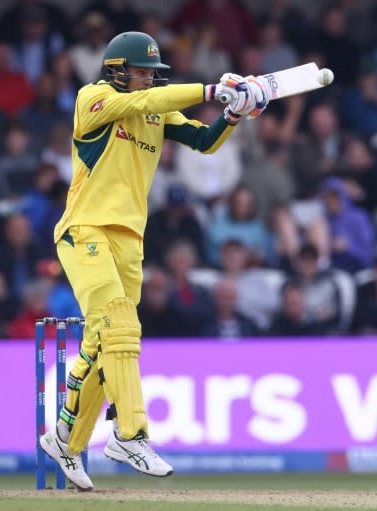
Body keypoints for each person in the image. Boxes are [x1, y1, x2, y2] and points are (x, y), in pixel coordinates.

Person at [39, 31, 270, 490]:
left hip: (130, 241)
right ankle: (130, 434)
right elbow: (147, 102)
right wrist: (211, 90)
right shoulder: (94, 99)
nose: (146, 80)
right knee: (120, 327)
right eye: (140, 72)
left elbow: (205, 142)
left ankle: (65, 435)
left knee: (110, 341)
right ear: (116, 71)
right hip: (85, 229)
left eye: (151, 74)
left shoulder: (156, 112)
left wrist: (232, 114)